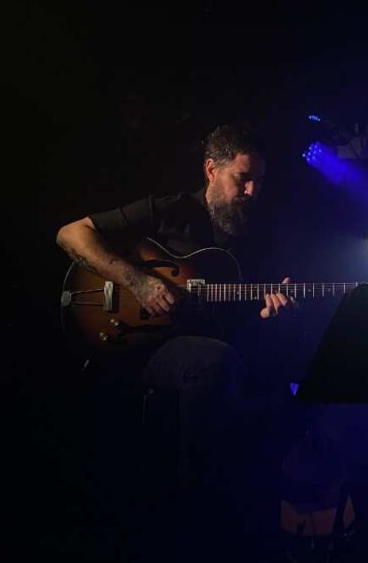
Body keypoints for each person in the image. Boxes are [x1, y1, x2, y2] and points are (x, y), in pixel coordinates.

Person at [56, 124, 295, 560]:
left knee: (270, 376)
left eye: (258, 181)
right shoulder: (170, 211)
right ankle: (196, 514)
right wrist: (138, 281)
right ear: (210, 170)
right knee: (215, 362)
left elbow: (245, 317)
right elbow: (71, 234)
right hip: (132, 341)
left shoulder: (258, 236)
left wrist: (267, 313)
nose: (252, 190)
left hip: (197, 344)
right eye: (242, 179)